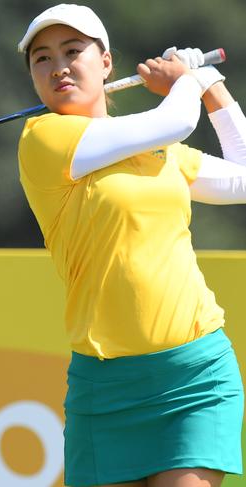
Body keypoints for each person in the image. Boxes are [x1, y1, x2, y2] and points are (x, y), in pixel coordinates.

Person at [17, 4, 246, 487]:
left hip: (194, 375)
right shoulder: (44, 140)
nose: (59, 65)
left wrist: (209, 83)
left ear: (105, 63)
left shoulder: (160, 152)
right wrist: (188, 78)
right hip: (105, 390)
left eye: (74, 51)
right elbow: (173, 120)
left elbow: (244, 180)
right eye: (42, 58)